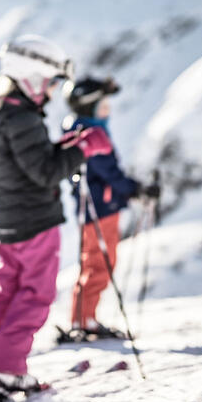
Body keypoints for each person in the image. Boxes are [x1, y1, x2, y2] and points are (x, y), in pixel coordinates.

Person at [0, 35, 113, 402]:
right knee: (35, 294)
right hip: (36, 221)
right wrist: (83, 147)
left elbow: (30, 160)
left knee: (5, 293)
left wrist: (67, 145)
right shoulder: (23, 118)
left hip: (10, 221)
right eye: (50, 83)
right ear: (33, 77)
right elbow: (45, 172)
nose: (51, 93)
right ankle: (7, 368)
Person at [60, 76, 160, 340]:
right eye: (103, 104)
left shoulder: (80, 129)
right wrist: (137, 189)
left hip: (95, 208)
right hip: (99, 209)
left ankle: (83, 319)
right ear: (89, 107)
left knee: (93, 262)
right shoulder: (91, 134)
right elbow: (110, 174)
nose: (108, 109)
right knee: (100, 263)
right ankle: (84, 321)